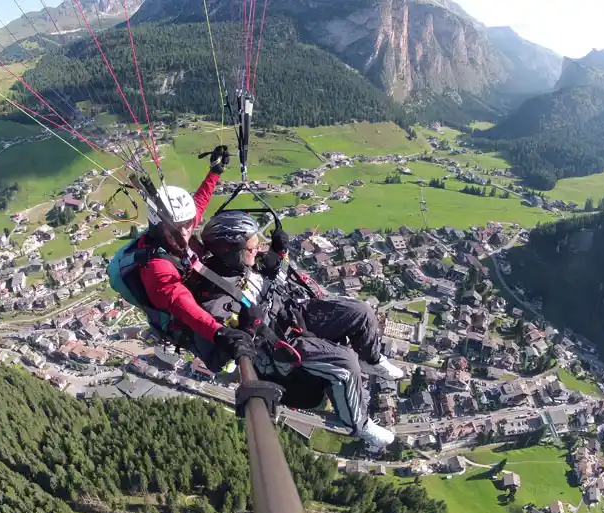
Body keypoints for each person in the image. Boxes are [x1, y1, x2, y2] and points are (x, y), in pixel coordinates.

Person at [187, 210, 402, 449]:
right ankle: (359, 425)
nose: (257, 250)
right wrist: (249, 328)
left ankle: (372, 359)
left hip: (293, 313)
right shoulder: (215, 298)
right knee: (345, 364)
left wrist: (277, 255)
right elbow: (225, 355)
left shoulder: (241, 266)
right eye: (252, 247)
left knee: (360, 311)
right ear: (231, 252)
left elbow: (271, 278)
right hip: (277, 345)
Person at [108, 146, 255, 363]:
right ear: (159, 226)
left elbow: (199, 204)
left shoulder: (174, 230)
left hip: (193, 285)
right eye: (180, 226)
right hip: (182, 319)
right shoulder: (157, 267)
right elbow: (181, 303)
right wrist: (218, 332)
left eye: (188, 224)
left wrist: (214, 173)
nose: (187, 230)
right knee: (219, 356)